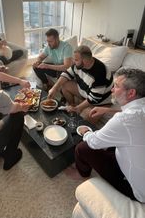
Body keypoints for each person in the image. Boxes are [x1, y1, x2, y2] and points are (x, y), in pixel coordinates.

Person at [75, 68, 145, 202]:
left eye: (116, 86)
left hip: (137, 190)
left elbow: (94, 142)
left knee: (83, 147)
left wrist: (86, 131)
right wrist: (107, 109)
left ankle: (81, 174)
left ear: (131, 93)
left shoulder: (124, 120)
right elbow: (132, 111)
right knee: (110, 143)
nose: (112, 89)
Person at [48, 45, 113, 122]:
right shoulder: (78, 65)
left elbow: (94, 99)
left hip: (99, 102)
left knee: (82, 120)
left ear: (84, 61)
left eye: (76, 60)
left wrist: (78, 108)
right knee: (65, 84)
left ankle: (75, 109)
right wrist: (54, 88)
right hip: (86, 93)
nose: (73, 61)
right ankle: (72, 105)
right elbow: (67, 74)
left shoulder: (100, 73)